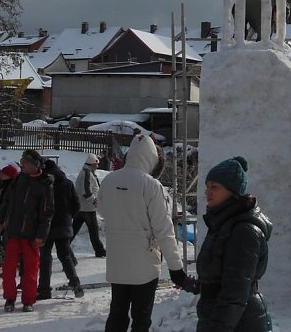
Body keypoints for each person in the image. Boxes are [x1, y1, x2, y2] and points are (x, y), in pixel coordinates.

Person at [98, 134, 186, 332]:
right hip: (144, 266)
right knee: (141, 317)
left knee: (117, 313)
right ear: (152, 159)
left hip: (117, 262)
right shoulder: (151, 185)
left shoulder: (109, 180)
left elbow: (101, 210)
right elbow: (164, 230)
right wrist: (176, 267)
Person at [191, 156, 273, 332]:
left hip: (241, 322)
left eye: (215, 187)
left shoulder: (244, 231)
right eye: (207, 186)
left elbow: (234, 294)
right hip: (226, 319)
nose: (208, 192)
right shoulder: (222, 223)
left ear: (233, 191)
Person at [0, 149, 54, 313]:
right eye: (22, 161)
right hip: (13, 231)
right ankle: (9, 298)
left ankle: (28, 300)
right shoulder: (18, 179)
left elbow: (47, 212)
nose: (23, 164)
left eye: (26, 162)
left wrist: (42, 234)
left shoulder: (45, 184)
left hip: (31, 234)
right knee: (8, 268)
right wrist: (1, 219)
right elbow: (7, 201)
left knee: (30, 269)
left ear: (35, 165)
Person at [36, 158, 83, 301]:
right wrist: (69, 217)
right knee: (65, 255)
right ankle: (75, 283)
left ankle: (44, 289)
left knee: (45, 257)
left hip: (47, 225)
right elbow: (76, 204)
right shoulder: (67, 182)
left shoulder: (42, 183)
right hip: (64, 224)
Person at [72, 152, 106, 258]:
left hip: (81, 207)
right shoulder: (86, 173)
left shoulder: (86, 172)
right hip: (87, 208)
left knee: (74, 230)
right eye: (96, 164)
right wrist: (94, 200)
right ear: (92, 164)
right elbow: (86, 191)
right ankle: (100, 251)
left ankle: (64, 246)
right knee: (93, 231)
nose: (98, 166)